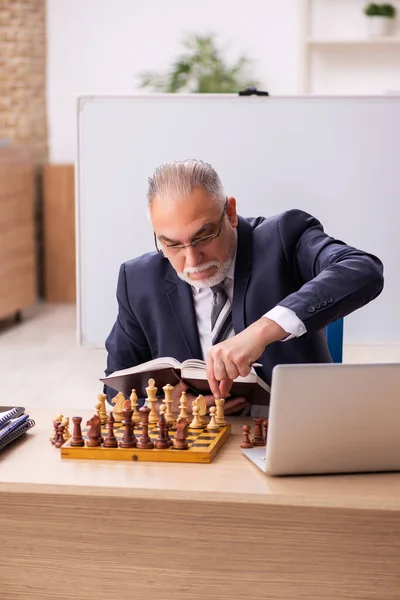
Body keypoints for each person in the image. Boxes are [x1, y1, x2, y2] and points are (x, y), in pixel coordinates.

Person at [104, 159, 384, 415]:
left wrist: (261, 332)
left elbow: (362, 269)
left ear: (231, 212)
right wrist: (163, 404)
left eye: (204, 236)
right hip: (203, 443)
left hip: (299, 426)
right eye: (172, 244)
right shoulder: (138, 280)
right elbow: (115, 387)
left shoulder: (285, 237)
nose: (192, 260)